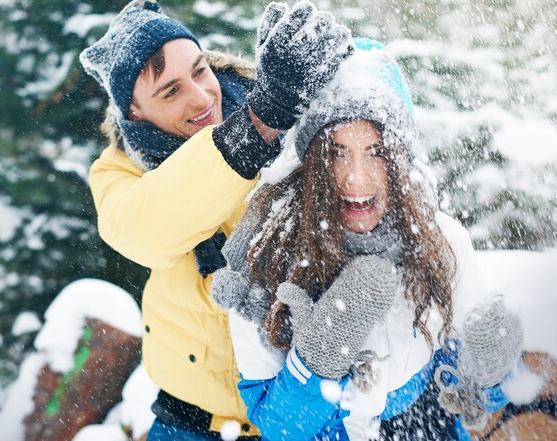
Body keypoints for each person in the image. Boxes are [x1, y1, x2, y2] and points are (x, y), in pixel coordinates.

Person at [212, 39, 524, 440]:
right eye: (336, 153)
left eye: (376, 152)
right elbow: (277, 426)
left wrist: (491, 372)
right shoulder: (267, 255)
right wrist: (313, 366)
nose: (356, 178)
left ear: (401, 158)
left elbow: (466, 391)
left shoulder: (441, 240)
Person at [79, 0, 354, 440]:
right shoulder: (120, 167)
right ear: (133, 112)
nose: (201, 96)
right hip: (189, 422)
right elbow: (146, 230)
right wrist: (257, 125)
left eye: (199, 69)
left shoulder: (281, 104)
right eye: (171, 90)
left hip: (302, 406)